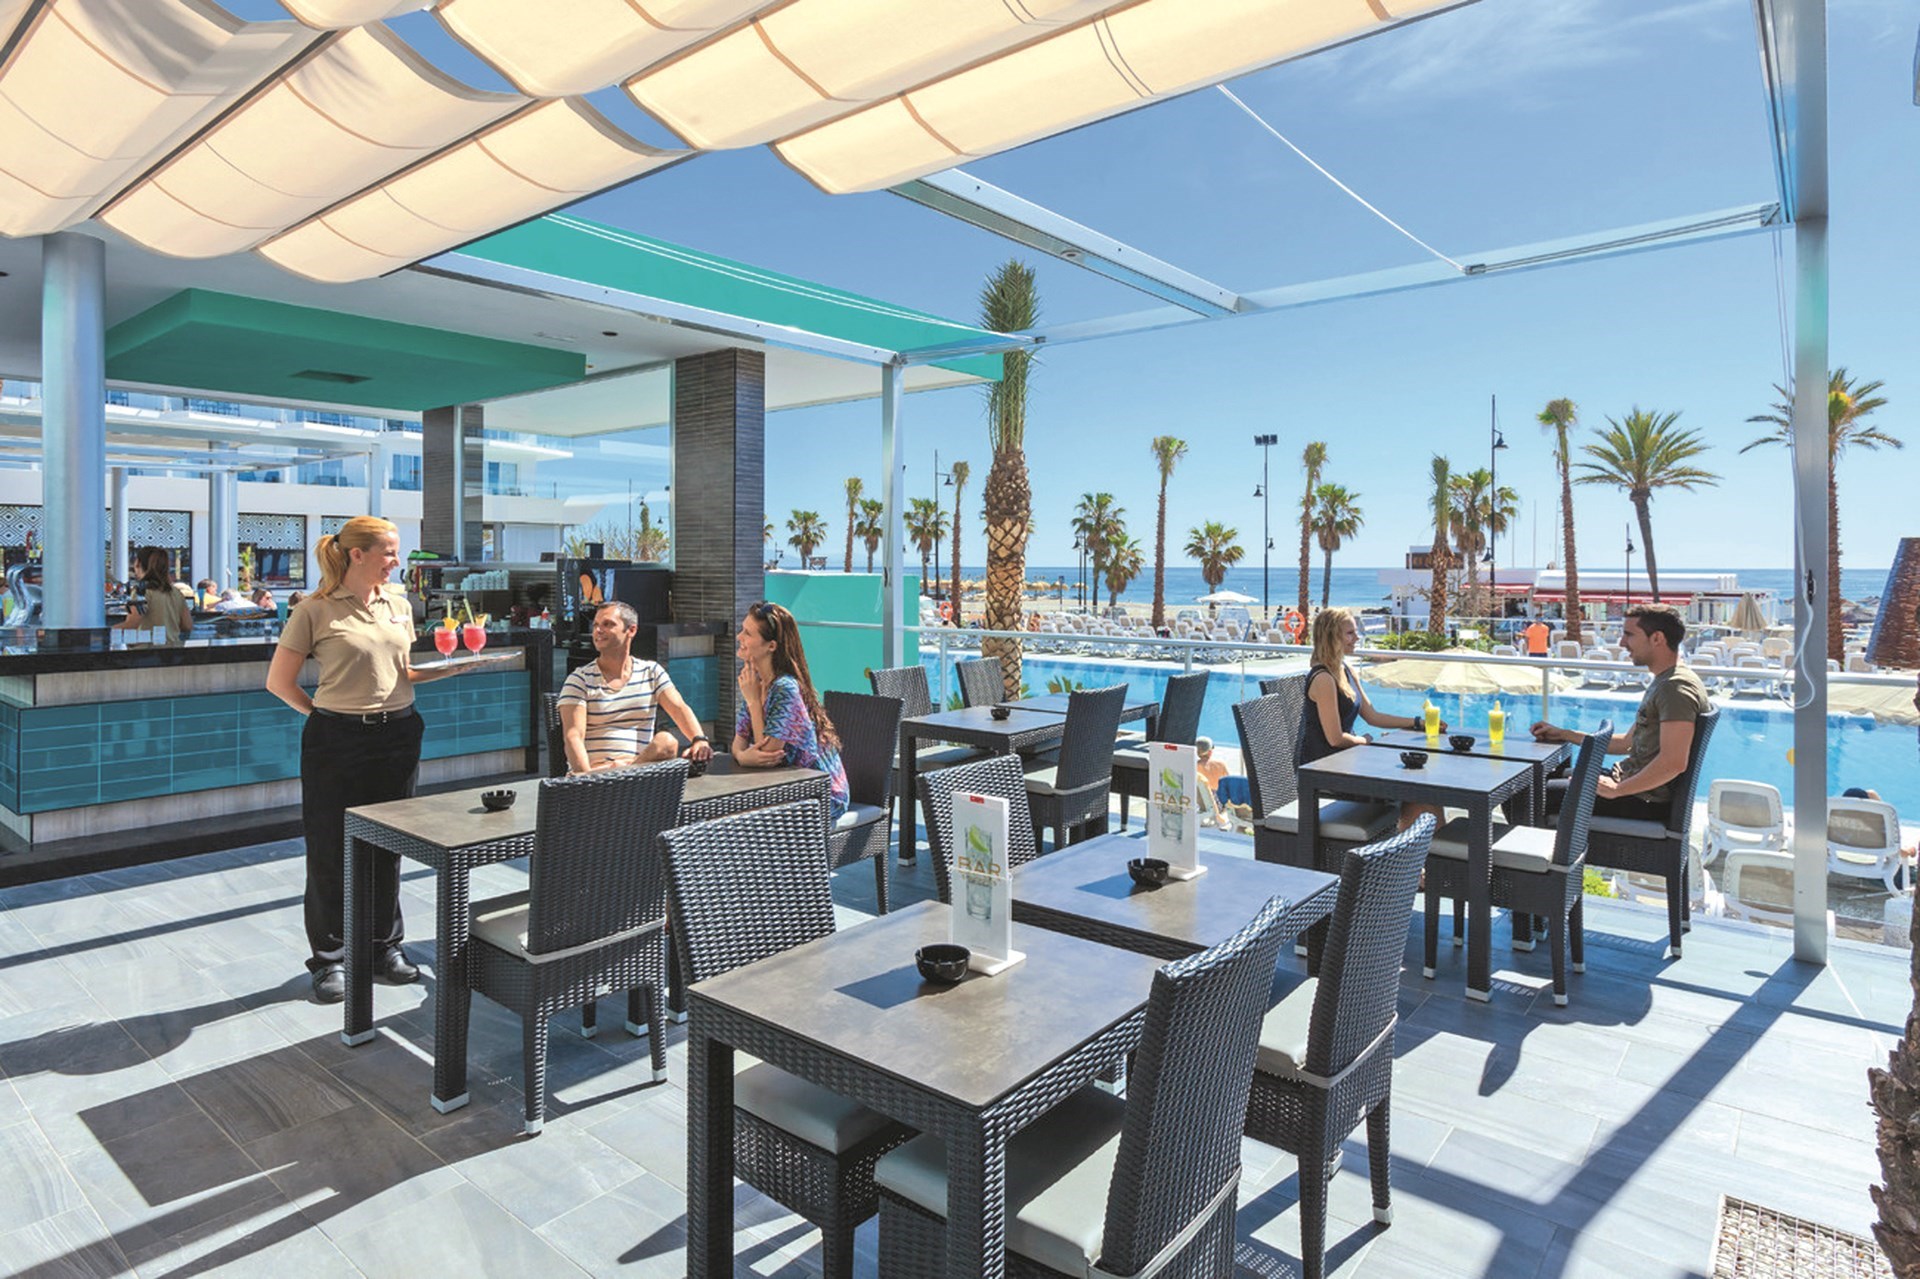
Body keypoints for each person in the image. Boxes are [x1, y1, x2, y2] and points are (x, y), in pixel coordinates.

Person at [265, 516, 510, 1004]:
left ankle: (384, 948)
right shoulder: (313, 610)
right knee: (330, 848)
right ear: (357, 554)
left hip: (399, 734)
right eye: (390, 552)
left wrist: (454, 668)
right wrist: (326, 716)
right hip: (336, 741)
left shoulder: (398, 604)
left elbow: (402, 672)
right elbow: (279, 682)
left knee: (390, 845)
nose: (398, 561)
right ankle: (330, 959)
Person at [1527, 603, 1708, 820]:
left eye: (1629, 635)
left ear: (1657, 638)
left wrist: (1616, 790)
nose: (1622, 643)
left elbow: (1674, 762)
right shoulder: (1666, 681)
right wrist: (1564, 733)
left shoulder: (1675, 688)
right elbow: (1626, 743)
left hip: (1641, 800)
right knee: (1537, 779)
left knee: (1526, 793)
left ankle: (1556, 839)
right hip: (1629, 783)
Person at [1300, 606, 1445, 828]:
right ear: (1331, 637)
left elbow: (1373, 716)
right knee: (1416, 792)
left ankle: (1412, 847)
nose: (1357, 638)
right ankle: (1411, 848)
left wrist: (1417, 722)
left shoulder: (1345, 670)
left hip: (1347, 761)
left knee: (1423, 788)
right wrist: (1365, 741)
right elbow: (1335, 739)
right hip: (1325, 772)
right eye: (1350, 633)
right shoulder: (1323, 679)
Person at [558, 601, 715, 773]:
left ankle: (627, 776)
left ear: (631, 630)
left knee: (667, 741)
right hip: (596, 772)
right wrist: (588, 779)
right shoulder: (580, 679)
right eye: (595, 625)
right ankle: (622, 778)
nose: (598, 630)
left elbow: (679, 708)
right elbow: (573, 736)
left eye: (608, 624)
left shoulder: (651, 672)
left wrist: (699, 740)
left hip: (640, 772)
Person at [731, 601, 848, 820]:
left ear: (771, 646)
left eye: (747, 633)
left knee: (739, 820)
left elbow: (768, 757)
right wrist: (742, 756)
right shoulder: (757, 682)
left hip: (822, 795)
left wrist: (754, 703)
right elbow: (739, 742)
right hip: (785, 788)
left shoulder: (785, 688)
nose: (739, 637)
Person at [119, 545, 192, 645]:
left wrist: (105, 632)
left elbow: (132, 624)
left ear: (138, 563)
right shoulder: (176, 592)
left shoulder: (142, 591)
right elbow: (187, 625)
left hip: (147, 650)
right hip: (173, 649)